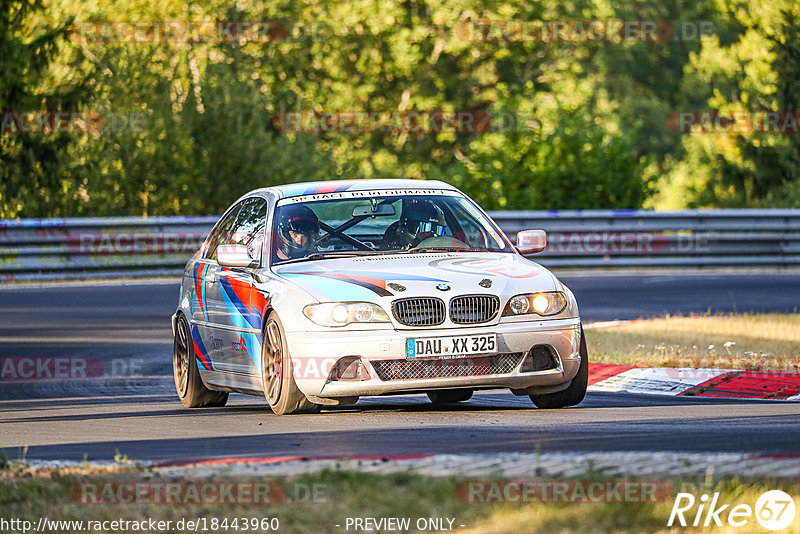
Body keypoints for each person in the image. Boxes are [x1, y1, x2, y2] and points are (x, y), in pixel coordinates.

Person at [383, 199, 448, 249]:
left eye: (438, 231)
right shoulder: (390, 255)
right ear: (402, 229)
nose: (432, 235)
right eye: (423, 229)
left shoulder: (453, 250)